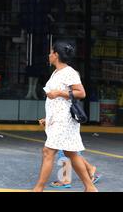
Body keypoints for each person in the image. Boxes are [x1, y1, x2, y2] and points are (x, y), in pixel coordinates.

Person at [33, 41, 98, 192]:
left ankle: (38, 189)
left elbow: (81, 93)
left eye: (51, 53)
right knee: (71, 153)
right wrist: (47, 118)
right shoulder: (56, 72)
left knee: (48, 152)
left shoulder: (69, 72)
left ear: (56, 55)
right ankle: (90, 187)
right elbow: (56, 102)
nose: (49, 55)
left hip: (65, 120)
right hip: (58, 119)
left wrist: (59, 93)